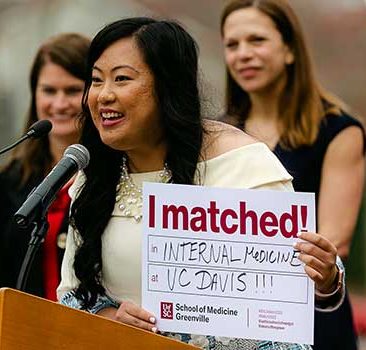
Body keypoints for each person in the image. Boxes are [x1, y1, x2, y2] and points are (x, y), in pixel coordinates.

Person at [56, 17, 346, 350]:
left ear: (168, 86)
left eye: (122, 79)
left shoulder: (243, 164)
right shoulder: (92, 176)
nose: (104, 95)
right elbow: (72, 294)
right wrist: (111, 317)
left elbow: (290, 291)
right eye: (96, 81)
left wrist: (327, 276)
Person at [219, 1, 366, 348]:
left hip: (313, 315)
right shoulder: (215, 134)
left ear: (289, 49)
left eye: (257, 40)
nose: (243, 54)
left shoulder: (339, 129)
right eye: (232, 44)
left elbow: (335, 241)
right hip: (233, 319)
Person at [0, 33, 90, 300]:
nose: (60, 103)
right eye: (49, 91)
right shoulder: (10, 179)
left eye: (73, 90)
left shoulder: (119, 172)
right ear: (34, 95)